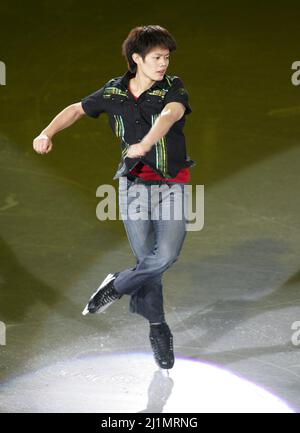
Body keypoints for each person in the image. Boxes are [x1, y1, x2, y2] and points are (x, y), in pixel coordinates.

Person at [33, 25, 195, 369]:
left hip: (172, 185)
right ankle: (158, 327)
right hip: (133, 187)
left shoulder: (173, 87)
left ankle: (116, 286)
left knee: (165, 255)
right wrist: (47, 132)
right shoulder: (114, 92)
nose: (164, 63)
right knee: (148, 266)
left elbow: (171, 114)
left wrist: (148, 141)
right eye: (157, 58)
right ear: (137, 59)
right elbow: (77, 108)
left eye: (167, 57)